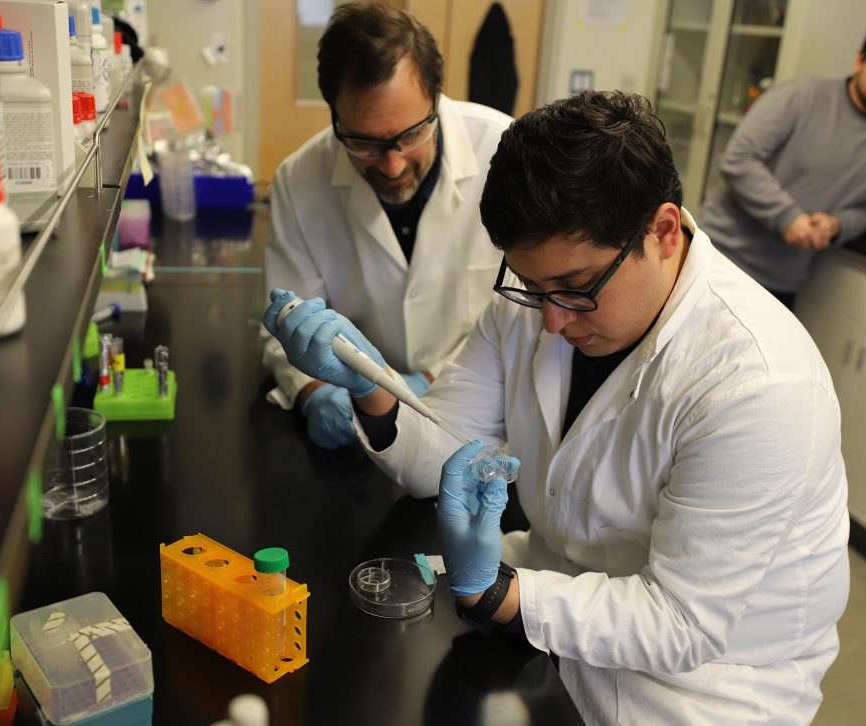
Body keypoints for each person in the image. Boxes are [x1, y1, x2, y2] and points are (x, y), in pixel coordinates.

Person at [263, 90, 850, 724]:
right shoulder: (538, 304)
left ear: (661, 232)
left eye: (576, 287)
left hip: (695, 694)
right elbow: (439, 453)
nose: (550, 321)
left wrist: (498, 592)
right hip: (553, 624)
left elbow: (681, 623)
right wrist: (365, 379)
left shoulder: (757, 383)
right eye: (531, 286)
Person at [260, 1, 511, 449]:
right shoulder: (299, 181)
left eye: (411, 135)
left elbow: (527, 311)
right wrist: (315, 392)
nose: (393, 166)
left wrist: (428, 380)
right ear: (334, 112)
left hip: (481, 413)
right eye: (364, 143)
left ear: (436, 94)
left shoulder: (505, 152)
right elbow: (287, 327)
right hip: (358, 421)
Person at [698, 34, 866, 310]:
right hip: (718, 259)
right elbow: (740, 159)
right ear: (859, 61)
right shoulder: (802, 95)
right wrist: (787, 217)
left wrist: (838, 225)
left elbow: (863, 210)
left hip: (780, 285)